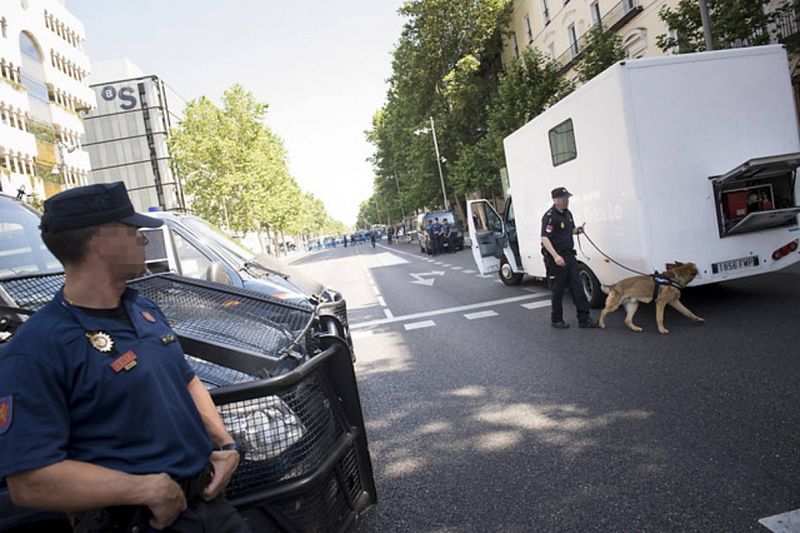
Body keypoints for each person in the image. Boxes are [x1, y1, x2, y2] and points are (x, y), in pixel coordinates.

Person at [0, 183, 251, 532]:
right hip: (141, 521)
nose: (143, 240)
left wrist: (226, 445)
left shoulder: (142, 307)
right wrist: (143, 488)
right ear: (102, 241)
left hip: (210, 507)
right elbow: (29, 482)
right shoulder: (36, 349)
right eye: (133, 231)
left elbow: (186, 379)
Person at [540, 187, 600, 329]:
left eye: (567, 198)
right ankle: (556, 319)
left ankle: (584, 319)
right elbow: (544, 238)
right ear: (555, 200)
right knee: (558, 290)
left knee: (577, 287)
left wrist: (577, 230)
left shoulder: (568, 214)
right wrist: (555, 256)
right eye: (563, 198)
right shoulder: (549, 216)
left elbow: (568, 230)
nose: (566, 201)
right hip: (556, 258)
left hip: (569, 256)